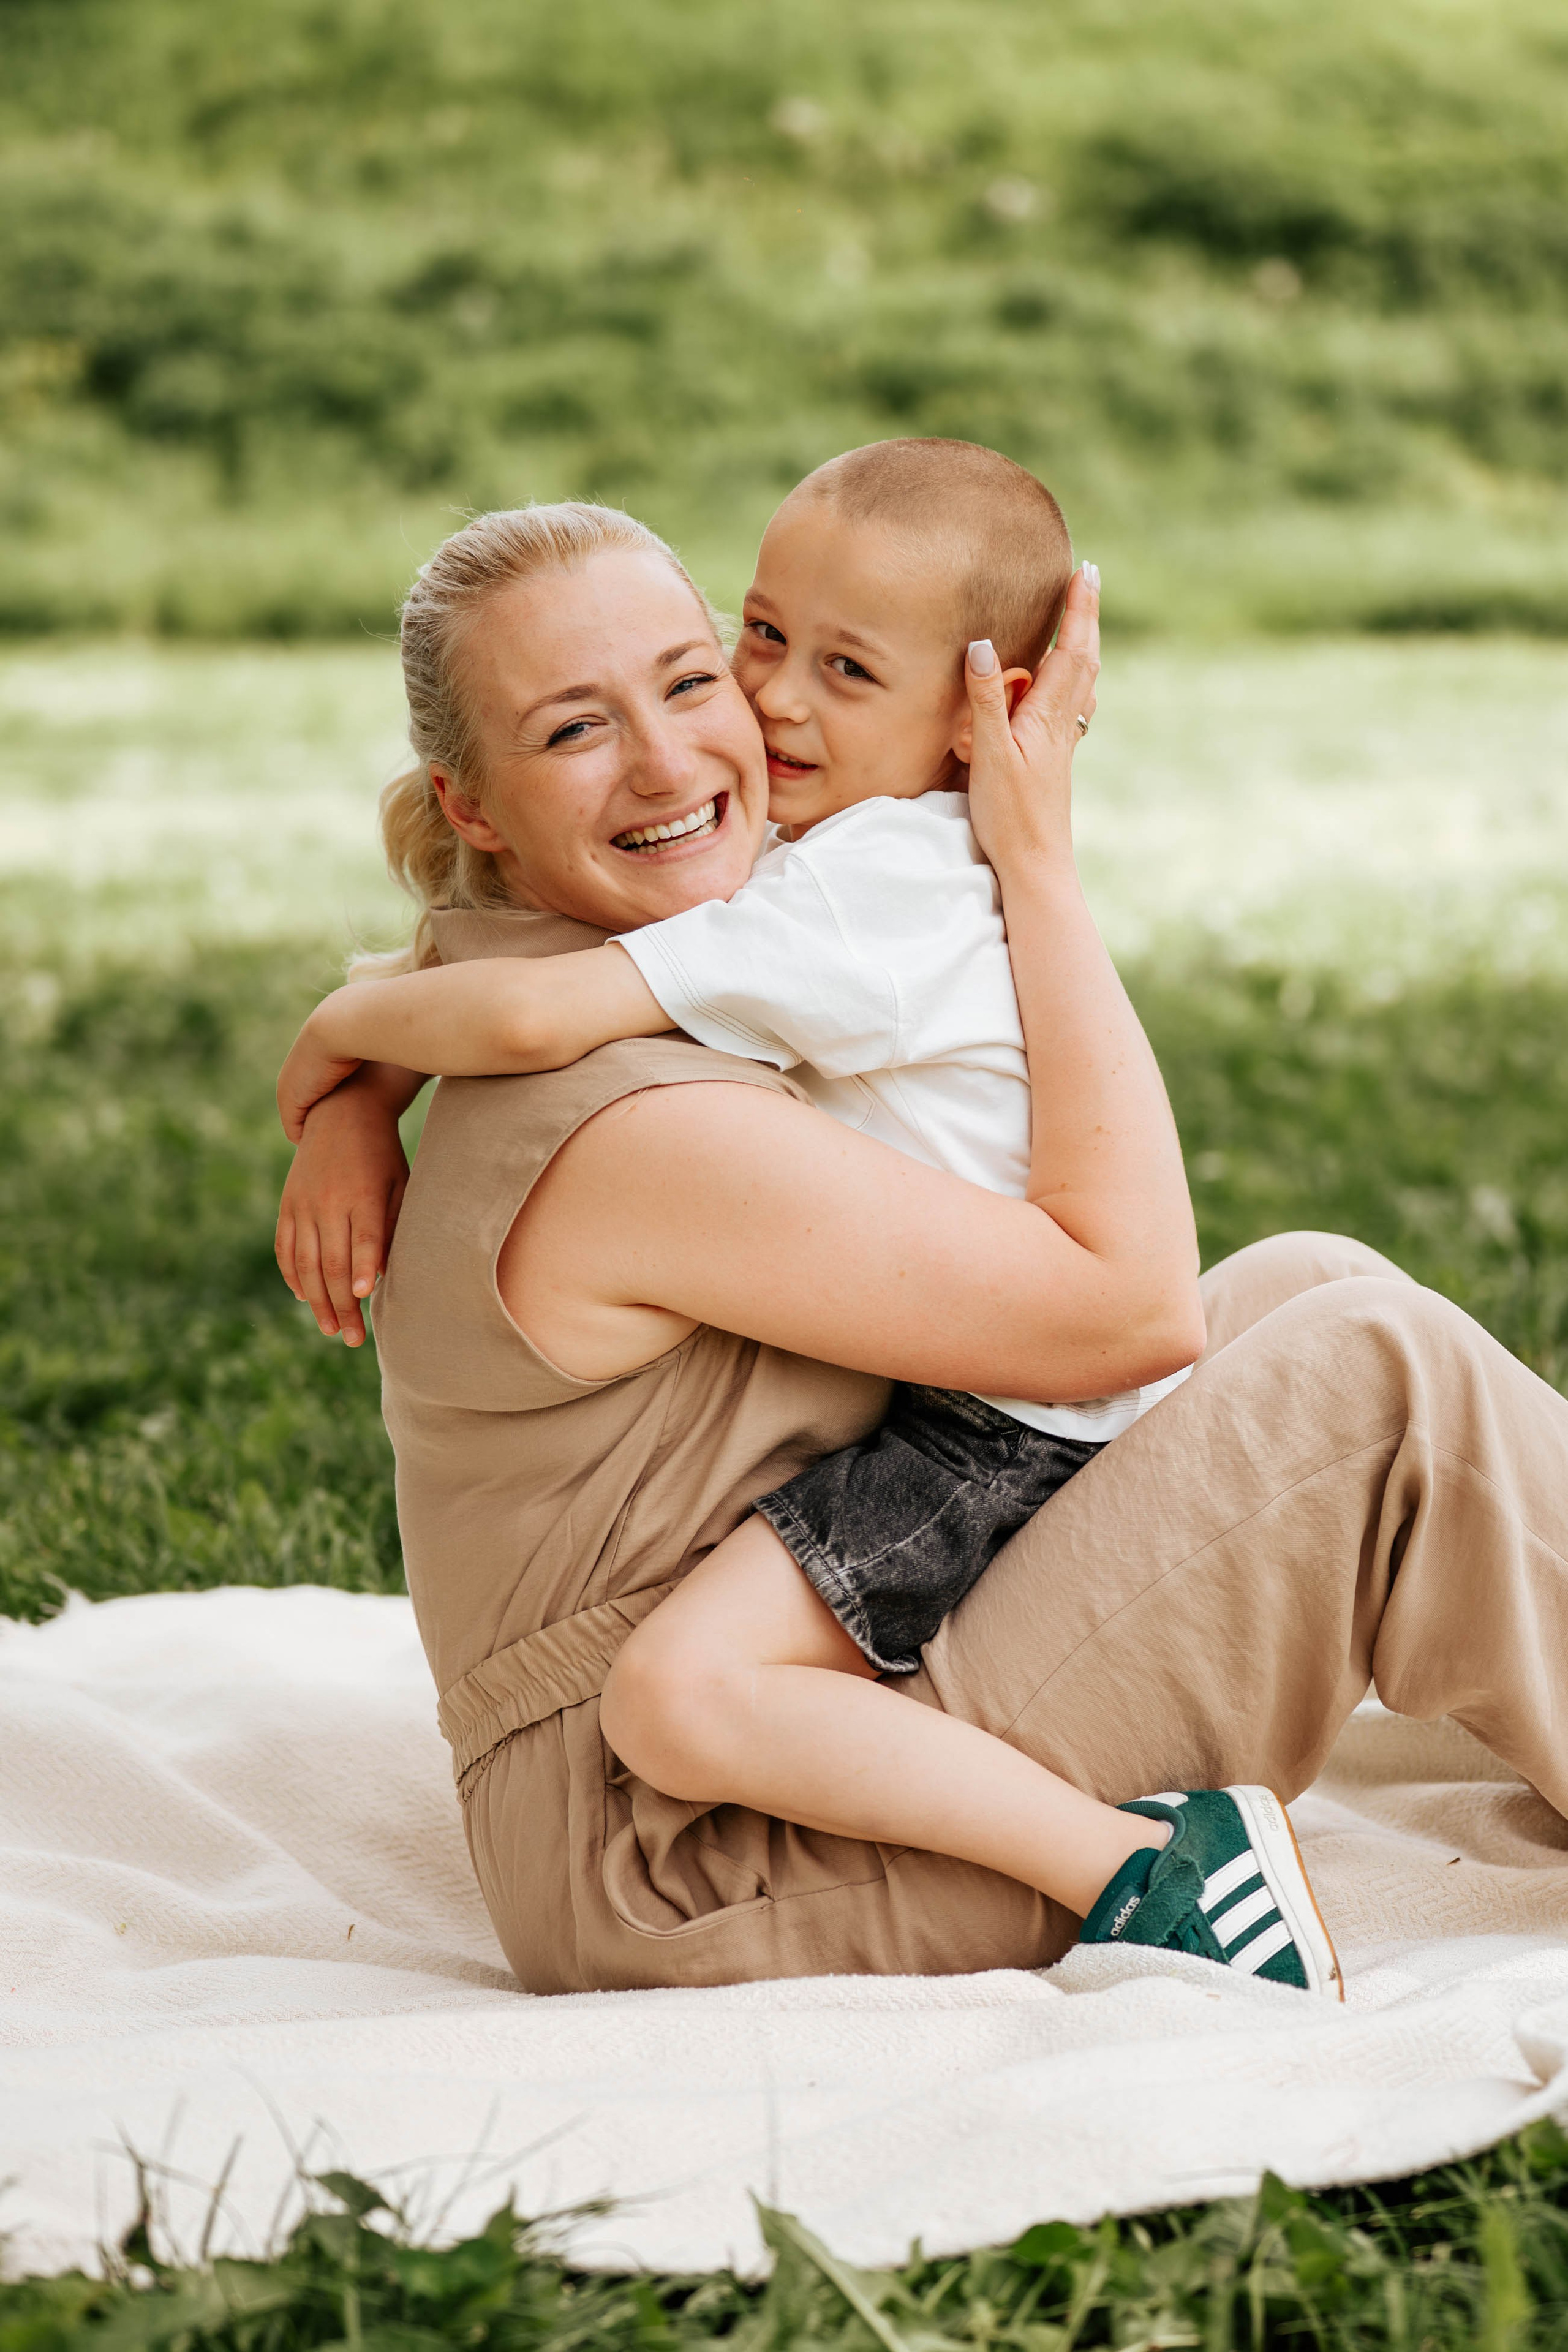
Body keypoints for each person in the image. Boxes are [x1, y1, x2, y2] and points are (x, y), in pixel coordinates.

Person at [277, 494, 1568, 2000]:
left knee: (1308, 1285)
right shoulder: (637, 1128)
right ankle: (1144, 1873)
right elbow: (1128, 1307)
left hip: (794, 1702)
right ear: (475, 805)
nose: (668, 760)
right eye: (574, 730)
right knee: (1376, 1382)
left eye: (693, 679)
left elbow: (432, 970)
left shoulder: (586, 950)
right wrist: (1036, 862)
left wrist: (345, 1087)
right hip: (700, 1846)